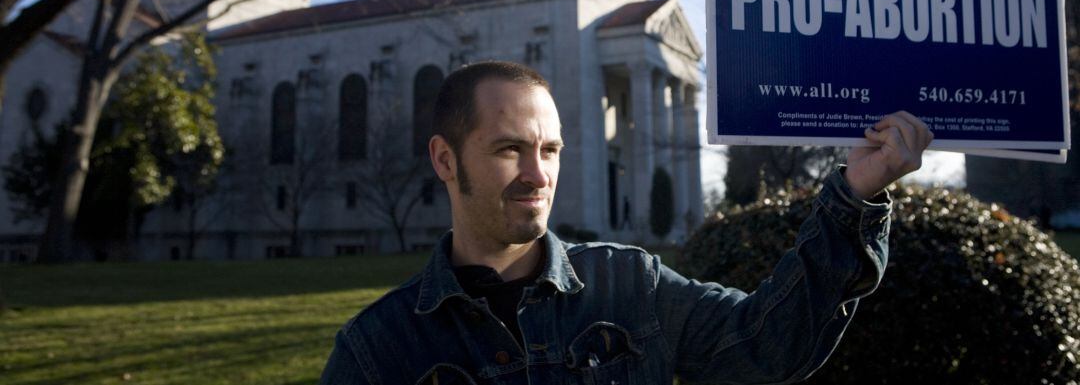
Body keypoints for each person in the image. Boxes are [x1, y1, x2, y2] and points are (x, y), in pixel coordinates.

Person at [319, 61, 933, 384]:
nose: (539, 175)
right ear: (446, 160)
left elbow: (766, 348)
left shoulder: (629, 284)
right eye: (510, 149)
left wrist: (854, 194)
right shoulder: (379, 349)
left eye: (551, 150)